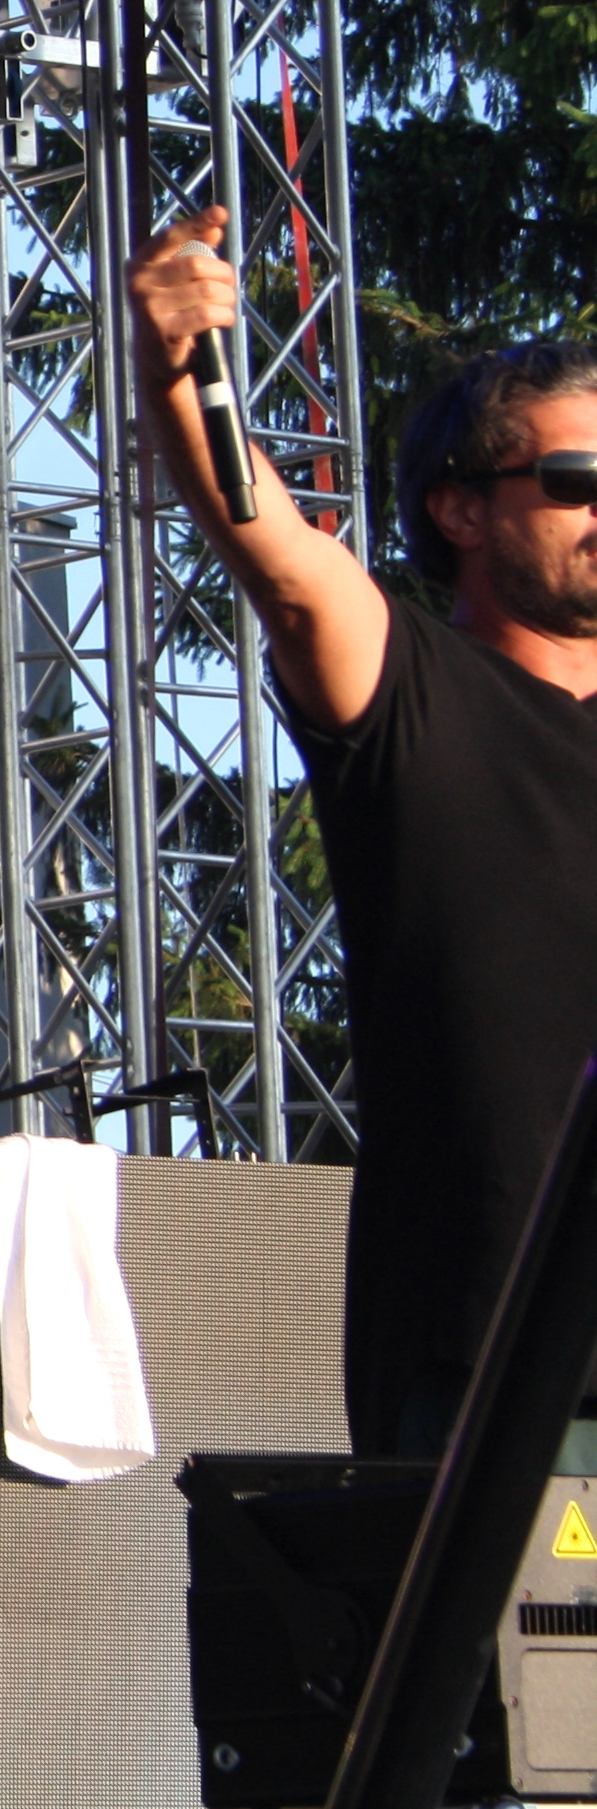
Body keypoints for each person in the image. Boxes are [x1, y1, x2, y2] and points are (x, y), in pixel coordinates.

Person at [126, 206, 597, 1456]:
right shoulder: (411, 686)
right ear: (463, 511)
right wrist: (175, 370)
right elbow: (280, 559)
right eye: (576, 482)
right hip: (488, 1342)